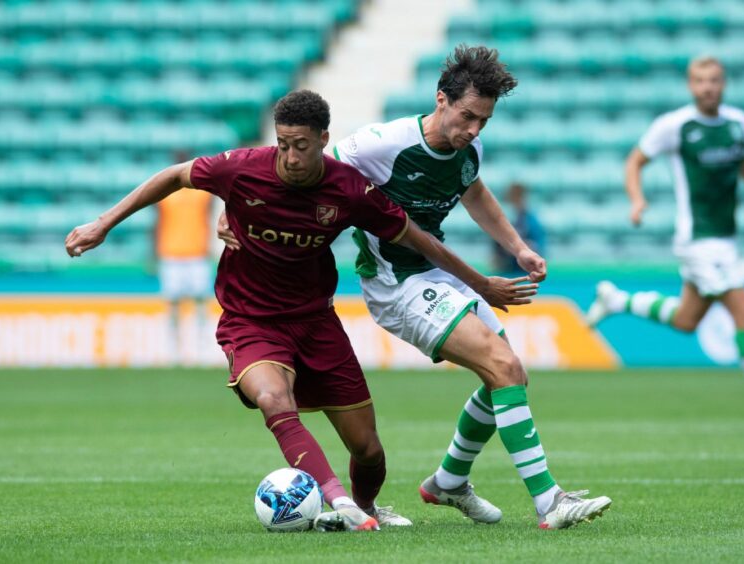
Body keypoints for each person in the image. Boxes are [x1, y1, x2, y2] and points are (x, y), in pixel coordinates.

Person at [65, 90, 531, 532]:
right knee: (273, 398)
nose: (290, 157)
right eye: (283, 144)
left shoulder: (348, 189)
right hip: (251, 322)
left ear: (323, 141)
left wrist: (479, 284)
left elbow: (415, 236)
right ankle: (338, 500)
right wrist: (103, 223)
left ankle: (365, 506)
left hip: (316, 323)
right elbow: (174, 175)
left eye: (301, 146)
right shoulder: (242, 169)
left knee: (368, 452)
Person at [219, 46, 611, 529]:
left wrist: (517, 245)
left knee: (509, 377)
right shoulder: (380, 145)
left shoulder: (468, 147)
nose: (473, 130)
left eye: (483, 122)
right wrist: (235, 208)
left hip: (436, 272)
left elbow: (475, 190)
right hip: (395, 284)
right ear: (440, 99)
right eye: (467, 116)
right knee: (503, 366)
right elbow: (298, 174)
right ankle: (549, 502)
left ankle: (448, 481)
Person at [586, 55, 744, 395]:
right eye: (700, 80)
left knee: (686, 320)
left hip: (725, 239)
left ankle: (617, 301)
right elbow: (635, 161)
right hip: (697, 240)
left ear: (723, 83)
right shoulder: (676, 125)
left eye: (713, 80)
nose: (707, 87)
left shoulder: (739, 123)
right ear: (690, 85)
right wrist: (637, 200)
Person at [155, 149, 213, 364]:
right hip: (171, 252)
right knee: (173, 305)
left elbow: (209, 218)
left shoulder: (202, 191)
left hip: (197, 253)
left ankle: (202, 349)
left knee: (200, 304)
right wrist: (155, 253)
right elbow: (157, 223)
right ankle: (173, 352)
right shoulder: (165, 193)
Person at [493, 182, 546, 275]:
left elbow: (539, 244)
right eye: (513, 196)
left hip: (527, 269)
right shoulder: (504, 217)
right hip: (506, 268)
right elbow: (496, 244)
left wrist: (527, 246)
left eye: (518, 196)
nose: (516, 200)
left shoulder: (531, 220)